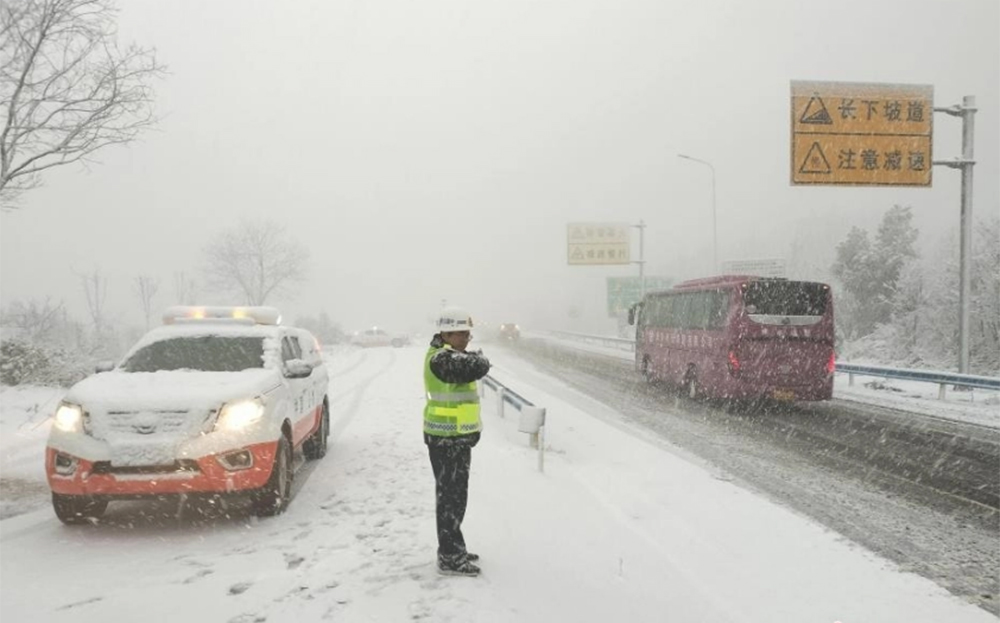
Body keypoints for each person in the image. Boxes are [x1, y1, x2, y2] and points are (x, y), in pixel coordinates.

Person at [424, 306, 491, 576]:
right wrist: (480, 358)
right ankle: (450, 556)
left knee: (456, 498)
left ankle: (454, 548)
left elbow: (472, 364)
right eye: (462, 334)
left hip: (455, 439)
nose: (467, 340)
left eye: (468, 335)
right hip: (445, 439)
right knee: (450, 499)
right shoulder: (441, 359)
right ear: (446, 334)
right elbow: (477, 366)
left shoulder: (450, 355)